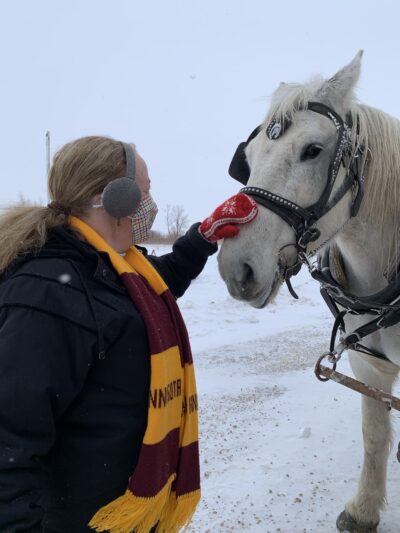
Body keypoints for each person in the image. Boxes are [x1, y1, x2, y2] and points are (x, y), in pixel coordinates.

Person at [0, 135, 257, 533]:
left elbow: (153, 286)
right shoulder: (48, 291)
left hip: (123, 514)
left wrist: (203, 237)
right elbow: (9, 440)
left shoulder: (113, 268)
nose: (151, 205)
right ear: (116, 199)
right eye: (146, 191)